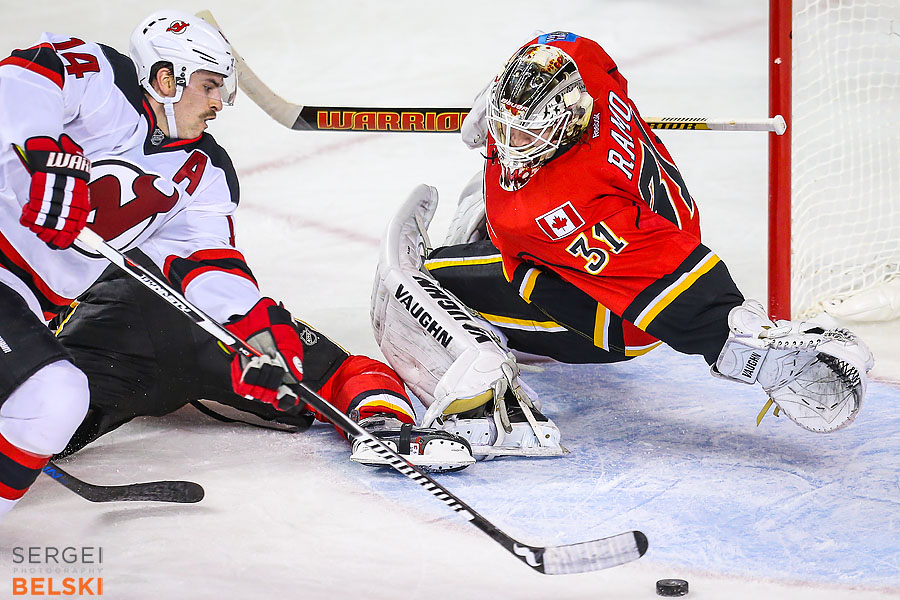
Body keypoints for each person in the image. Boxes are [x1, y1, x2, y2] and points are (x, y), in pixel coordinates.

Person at [0, 10, 471, 522]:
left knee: (56, 398)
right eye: (209, 87)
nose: (218, 104)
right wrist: (44, 151)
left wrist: (259, 338)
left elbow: (210, 265)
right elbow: (21, 83)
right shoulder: (100, 79)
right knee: (55, 396)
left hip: (23, 304)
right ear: (166, 78)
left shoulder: (203, 174)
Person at [370, 32, 875, 458]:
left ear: (565, 121)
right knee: (488, 191)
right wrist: (498, 97)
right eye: (506, 129)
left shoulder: (551, 208)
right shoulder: (588, 71)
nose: (509, 146)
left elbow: (671, 282)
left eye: (523, 137)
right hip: (656, 221)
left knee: (430, 279)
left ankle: (485, 399)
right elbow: (560, 44)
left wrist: (747, 349)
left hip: (611, 317)